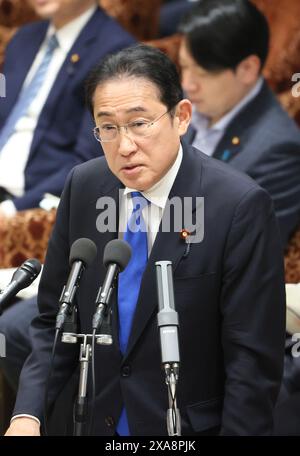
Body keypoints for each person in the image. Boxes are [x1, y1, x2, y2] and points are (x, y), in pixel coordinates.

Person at [5, 44, 285, 436]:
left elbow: (251, 364)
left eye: (140, 123)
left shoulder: (236, 206)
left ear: (181, 117)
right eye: (108, 127)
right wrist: (27, 415)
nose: (124, 146)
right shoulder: (85, 187)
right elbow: (54, 318)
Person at [0, 0, 135, 392]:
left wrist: (11, 209)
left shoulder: (113, 50)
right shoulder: (25, 39)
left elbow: (86, 160)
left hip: (32, 200)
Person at [178, 0, 300, 247]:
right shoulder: (187, 105)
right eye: (184, 67)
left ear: (247, 69)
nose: (188, 84)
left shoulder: (279, 152)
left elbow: (238, 253)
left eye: (202, 73)